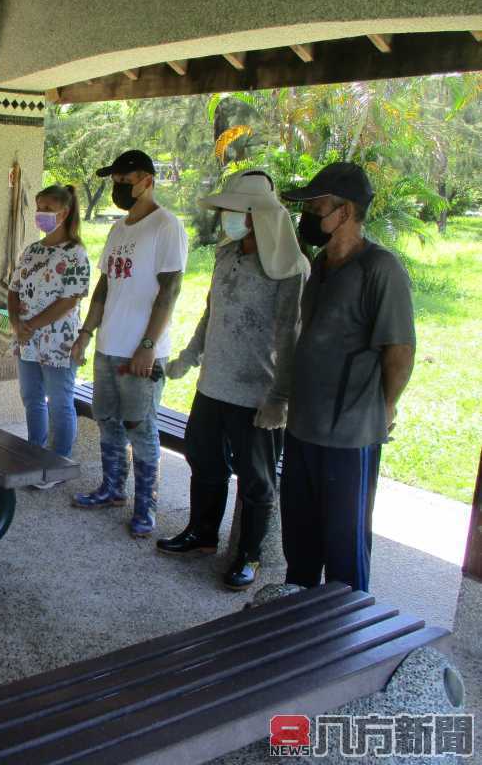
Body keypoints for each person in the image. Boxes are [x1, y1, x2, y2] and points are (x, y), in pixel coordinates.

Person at [157, 170, 310, 590]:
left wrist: (280, 397)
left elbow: (289, 334)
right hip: (213, 383)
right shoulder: (227, 255)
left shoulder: (289, 268)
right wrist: (190, 355)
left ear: (256, 215)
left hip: (256, 393)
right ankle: (201, 534)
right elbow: (212, 313)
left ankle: (249, 554)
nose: (226, 217)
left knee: (257, 478)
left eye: (233, 211)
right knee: (203, 459)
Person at [279, 162, 416, 592]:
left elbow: (400, 350)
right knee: (299, 542)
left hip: (349, 435)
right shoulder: (320, 265)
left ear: (346, 211)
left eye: (316, 206)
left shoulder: (381, 268)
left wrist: (384, 407)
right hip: (302, 426)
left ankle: (344, 639)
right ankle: (294, 622)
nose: (309, 216)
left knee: (345, 547)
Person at [70, 150, 188, 538]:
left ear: (147, 180)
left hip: (141, 350)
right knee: (107, 420)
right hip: (108, 346)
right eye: (115, 180)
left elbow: (170, 291)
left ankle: (145, 507)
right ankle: (112, 488)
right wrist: (86, 333)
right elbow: (104, 286)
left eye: (126, 179)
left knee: (141, 426)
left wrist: (149, 344)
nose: (118, 186)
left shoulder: (166, 226)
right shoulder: (118, 229)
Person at [8, 184, 90, 487]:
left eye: (47, 208)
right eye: (39, 207)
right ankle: (35, 452)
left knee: (59, 401)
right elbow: (14, 290)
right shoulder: (32, 251)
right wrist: (17, 323)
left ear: (64, 212)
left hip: (58, 342)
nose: (40, 213)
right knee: (32, 398)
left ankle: (58, 463)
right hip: (26, 340)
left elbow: (70, 299)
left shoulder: (75, 254)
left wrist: (34, 324)